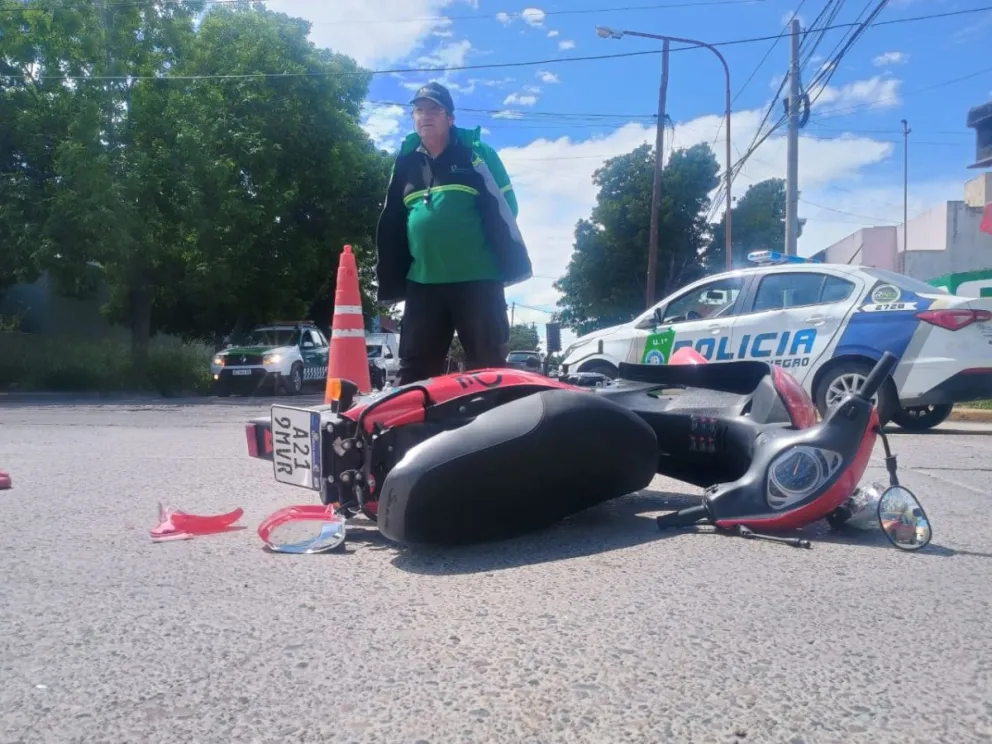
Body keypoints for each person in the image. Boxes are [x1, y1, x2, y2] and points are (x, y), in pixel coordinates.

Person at [374, 81, 533, 385]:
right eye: (418, 110)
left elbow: (507, 207)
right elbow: (394, 218)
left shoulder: (477, 154)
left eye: (434, 109)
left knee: (488, 369)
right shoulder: (406, 163)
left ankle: (492, 432)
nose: (425, 116)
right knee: (415, 370)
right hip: (423, 283)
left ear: (451, 118)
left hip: (478, 280)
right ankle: (414, 432)